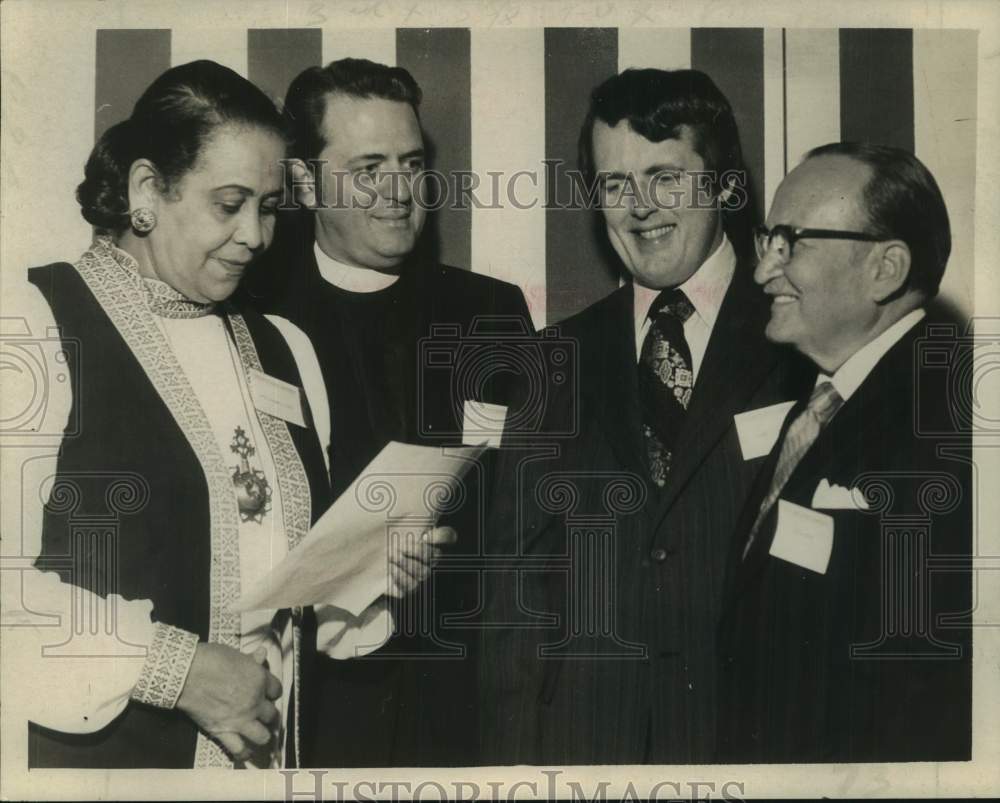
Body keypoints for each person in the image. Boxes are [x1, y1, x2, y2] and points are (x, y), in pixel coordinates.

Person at [7, 60, 452, 770]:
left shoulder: (285, 348)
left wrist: (369, 573)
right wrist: (178, 670)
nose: (255, 235)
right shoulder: (34, 323)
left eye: (268, 207)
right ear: (147, 190)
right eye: (229, 204)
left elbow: (296, 609)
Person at [480, 68, 812, 764]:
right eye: (615, 185)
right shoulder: (551, 361)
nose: (640, 207)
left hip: (752, 741)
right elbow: (515, 600)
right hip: (586, 749)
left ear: (724, 184)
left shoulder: (802, 339)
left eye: (665, 177)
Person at [242, 58, 532, 767]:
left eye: (410, 164)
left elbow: (531, 508)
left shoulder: (490, 312)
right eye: (369, 168)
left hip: (463, 699)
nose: (399, 192)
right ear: (305, 182)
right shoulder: (250, 317)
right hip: (309, 706)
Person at [716, 142, 972, 762]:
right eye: (767, 241)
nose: (763, 272)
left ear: (886, 268)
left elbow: (922, 696)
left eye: (792, 243)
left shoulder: (948, 425)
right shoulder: (819, 402)